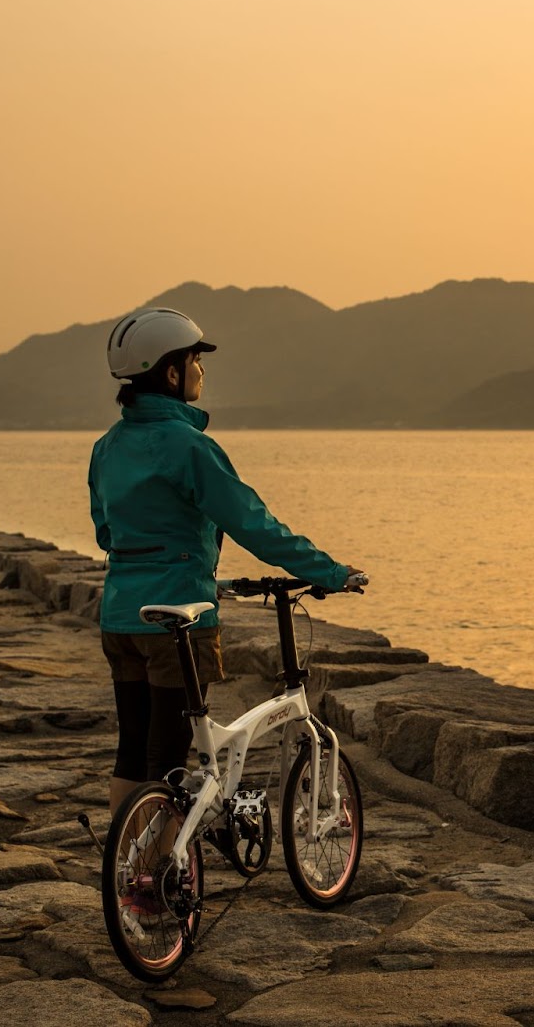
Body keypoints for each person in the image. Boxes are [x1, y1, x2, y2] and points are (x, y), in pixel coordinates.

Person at [89, 306, 363, 813]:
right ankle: (155, 879)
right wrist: (328, 571)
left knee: (132, 752)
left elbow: (107, 532)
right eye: (196, 360)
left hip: (120, 616)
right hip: (176, 619)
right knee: (167, 759)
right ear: (171, 372)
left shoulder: (107, 447)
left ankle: (125, 865)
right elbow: (252, 523)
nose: (201, 371)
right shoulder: (190, 446)